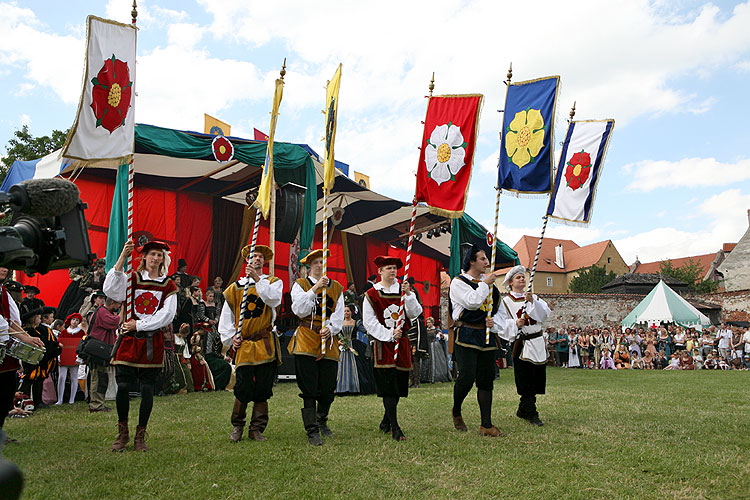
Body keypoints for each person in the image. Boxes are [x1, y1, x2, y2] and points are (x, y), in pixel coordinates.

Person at [105, 240, 178, 452]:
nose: (156, 258)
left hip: (150, 340)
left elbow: (167, 314)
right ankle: (122, 433)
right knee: (124, 386)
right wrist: (121, 258)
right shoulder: (131, 279)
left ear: (163, 259)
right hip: (129, 339)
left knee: (147, 389)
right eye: (152, 254)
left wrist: (141, 324)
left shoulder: (168, 285)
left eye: (159, 255)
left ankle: (140, 435)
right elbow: (111, 291)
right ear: (144, 256)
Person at [219, 244, 282, 443]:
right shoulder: (235, 289)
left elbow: (273, 300)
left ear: (265, 262)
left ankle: (256, 428)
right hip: (245, 344)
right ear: (247, 260)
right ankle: (237, 426)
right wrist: (231, 338)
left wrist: (256, 279)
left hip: (264, 342)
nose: (257, 259)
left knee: (263, 387)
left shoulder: (273, 282)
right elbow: (226, 317)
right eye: (254, 256)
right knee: (243, 386)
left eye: (261, 257)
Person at [289, 248, 344, 446]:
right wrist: (315, 289)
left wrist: (331, 328)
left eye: (323, 262)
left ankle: (322, 420)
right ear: (309, 266)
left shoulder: (336, 287)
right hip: (306, 338)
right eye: (316, 262)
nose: (320, 265)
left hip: (327, 340)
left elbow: (338, 313)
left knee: (328, 387)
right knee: (309, 386)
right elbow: (298, 309)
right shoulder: (300, 285)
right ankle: (311, 429)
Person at [363, 255, 422, 441]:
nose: (393, 270)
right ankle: (395, 428)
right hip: (383, 345)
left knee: (397, 387)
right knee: (388, 387)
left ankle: (385, 421)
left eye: (395, 268)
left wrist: (409, 295)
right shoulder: (371, 294)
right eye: (388, 267)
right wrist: (388, 334)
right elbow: (369, 322)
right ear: (379, 271)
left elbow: (415, 313)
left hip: (402, 344)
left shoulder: (405, 290)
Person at [448, 246, 505, 436]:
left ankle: (486, 425)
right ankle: (456, 410)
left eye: (487, 258)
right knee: (466, 377)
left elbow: (500, 313)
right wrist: (485, 285)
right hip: (466, 335)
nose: (487, 262)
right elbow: (472, 302)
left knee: (486, 380)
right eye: (482, 259)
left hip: (487, 336)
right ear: (471, 261)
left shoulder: (492, 288)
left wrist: (494, 322)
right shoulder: (458, 282)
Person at [496, 265, 551, 427]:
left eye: (522, 277)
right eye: (518, 277)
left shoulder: (533, 297)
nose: (522, 279)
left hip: (538, 342)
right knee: (526, 379)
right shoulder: (505, 302)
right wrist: (514, 323)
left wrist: (533, 301)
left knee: (536, 377)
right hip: (522, 343)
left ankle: (523, 409)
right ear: (511, 282)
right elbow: (500, 324)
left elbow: (544, 315)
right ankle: (530, 411)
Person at [0, 266, 46, 440]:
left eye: (5, 265)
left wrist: (27, 338)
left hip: (4, 348)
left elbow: (10, 322)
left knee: (7, 388)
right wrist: (25, 337)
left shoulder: (3, 293)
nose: (3, 269)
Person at [18, 308, 61, 412]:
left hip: (39, 361)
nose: (40, 319)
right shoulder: (30, 332)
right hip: (32, 360)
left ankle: (38, 401)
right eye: (38, 317)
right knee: (28, 380)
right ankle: (24, 400)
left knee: (39, 381)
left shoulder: (38, 330)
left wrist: (55, 347)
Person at [87, 296, 121, 413]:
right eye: (118, 305)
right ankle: (96, 405)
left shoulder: (103, 311)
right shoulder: (102, 312)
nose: (118, 307)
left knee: (101, 377)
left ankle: (99, 404)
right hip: (98, 350)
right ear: (112, 302)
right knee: (97, 378)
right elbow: (114, 322)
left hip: (101, 350)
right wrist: (123, 312)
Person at [56, 313, 84, 405]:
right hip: (64, 358)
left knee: (74, 377)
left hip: (75, 358)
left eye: (77, 320)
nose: (75, 322)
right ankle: (60, 399)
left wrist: (79, 358)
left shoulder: (81, 333)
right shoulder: (64, 332)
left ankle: (72, 399)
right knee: (62, 377)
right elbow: (59, 343)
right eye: (73, 319)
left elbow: (81, 345)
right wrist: (59, 357)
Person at [336, 305, 361, 395]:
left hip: (353, 346)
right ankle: (341, 387)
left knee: (354, 365)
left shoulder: (355, 322)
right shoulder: (339, 323)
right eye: (344, 311)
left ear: (351, 312)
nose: (346, 313)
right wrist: (339, 342)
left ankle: (353, 387)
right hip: (342, 347)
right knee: (341, 365)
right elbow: (336, 335)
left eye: (348, 311)